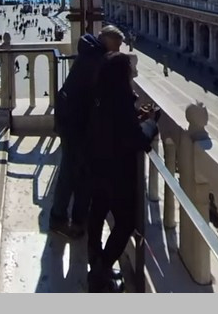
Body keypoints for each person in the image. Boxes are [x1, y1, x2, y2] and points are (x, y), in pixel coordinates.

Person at [85, 52, 158, 292]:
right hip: (117, 173)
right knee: (126, 222)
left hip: (97, 167)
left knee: (97, 214)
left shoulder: (101, 94)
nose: (134, 74)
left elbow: (115, 126)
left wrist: (136, 117)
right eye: (130, 71)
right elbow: (138, 140)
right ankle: (102, 268)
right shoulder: (122, 100)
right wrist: (150, 123)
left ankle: (94, 258)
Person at [49, 26, 124, 239]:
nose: (118, 50)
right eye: (117, 45)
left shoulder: (90, 52)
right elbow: (105, 94)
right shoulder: (98, 61)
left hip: (71, 120)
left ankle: (76, 218)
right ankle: (60, 218)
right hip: (76, 123)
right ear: (108, 41)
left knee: (78, 171)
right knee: (71, 172)